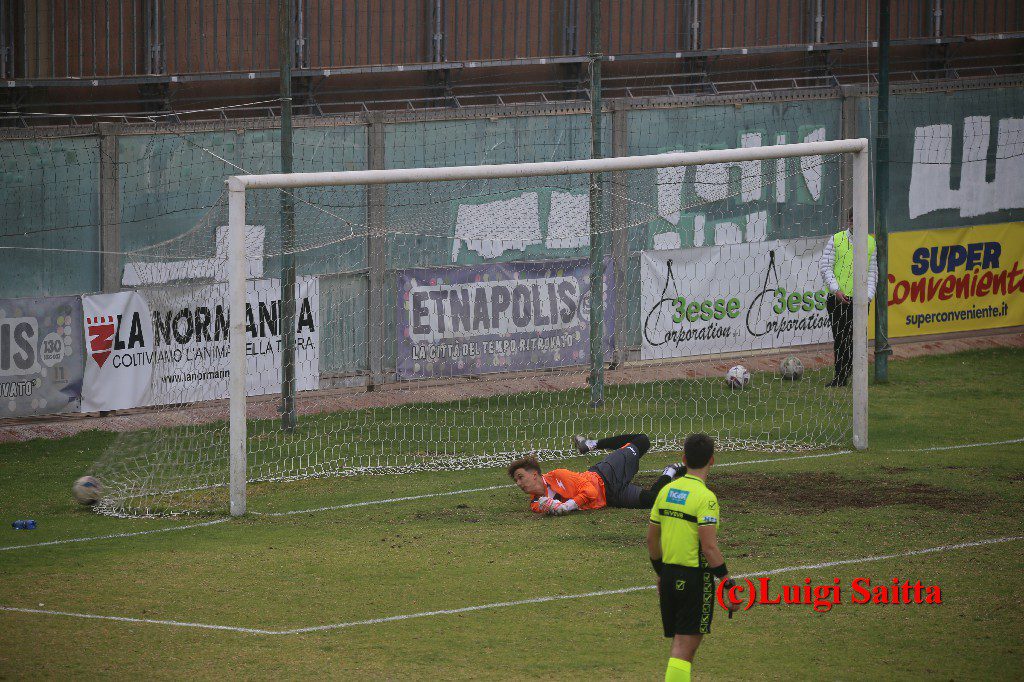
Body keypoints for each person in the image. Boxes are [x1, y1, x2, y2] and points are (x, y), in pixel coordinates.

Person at [647, 433, 739, 682]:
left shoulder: (666, 491)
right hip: (694, 580)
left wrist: (660, 572)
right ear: (712, 460)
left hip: (668, 577)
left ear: (684, 459)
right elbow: (709, 548)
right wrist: (727, 583)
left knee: (680, 645)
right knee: (683, 650)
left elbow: (651, 540)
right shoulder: (706, 499)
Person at [507, 434, 684, 515]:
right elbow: (550, 508)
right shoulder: (536, 504)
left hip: (605, 474)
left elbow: (590, 491)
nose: (518, 483)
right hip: (610, 497)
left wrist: (567, 506)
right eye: (516, 480)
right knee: (653, 500)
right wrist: (554, 507)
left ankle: (592, 444)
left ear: (535, 474)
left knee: (642, 441)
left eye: (520, 477)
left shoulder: (559, 475)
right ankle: (670, 470)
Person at [819, 211, 878, 387]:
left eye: (857, 220)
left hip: (860, 301)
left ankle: (855, 374)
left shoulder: (870, 242)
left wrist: (867, 297)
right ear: (848, 221)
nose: (854, 223)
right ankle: (841, 376)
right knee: (840, 337)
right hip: (837, 299)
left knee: (857, 338)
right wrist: (836, 290)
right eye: (851, 220)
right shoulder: (836, 239)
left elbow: (872, 272)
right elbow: (825, 267)